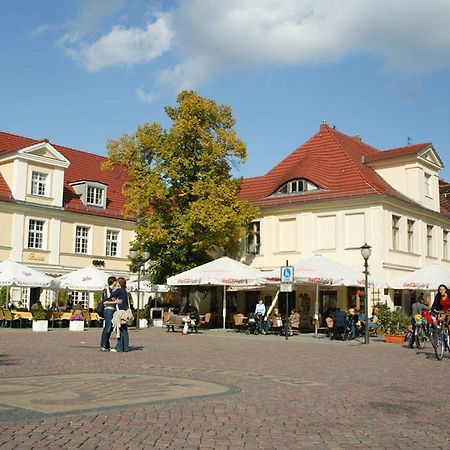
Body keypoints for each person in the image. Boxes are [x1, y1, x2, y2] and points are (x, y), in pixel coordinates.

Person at [100, 276, 118, 352]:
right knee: (108, 327)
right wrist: (115, 302)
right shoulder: (106, 290)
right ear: (113, 282)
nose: (116, 283)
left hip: (113, 310)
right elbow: (105, 302)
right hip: (108, 310)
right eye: (116, 281)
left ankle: (107, 345)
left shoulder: (114, 290)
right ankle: (103, 345)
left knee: (110, 328)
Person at [111, 277, 130, 352]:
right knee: (124, 330)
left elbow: (110, 296)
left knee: (120, 329)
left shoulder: (119, 290)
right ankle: (125, 347)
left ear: (119, 283)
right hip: (125, 312)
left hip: (120, 313)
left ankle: (119, 347)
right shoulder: (125, 291)